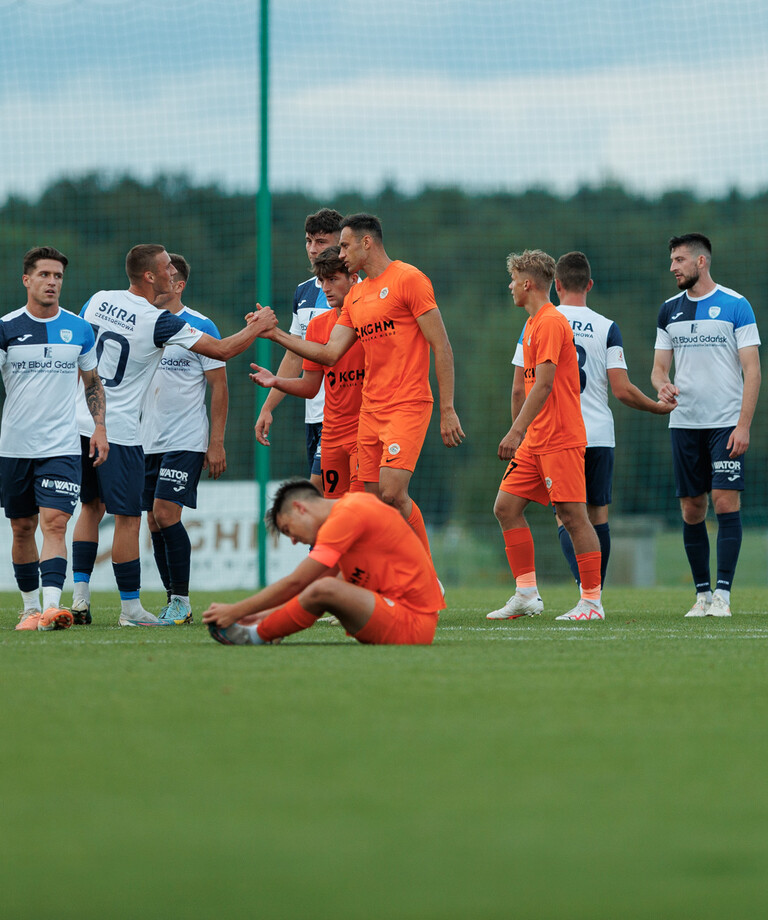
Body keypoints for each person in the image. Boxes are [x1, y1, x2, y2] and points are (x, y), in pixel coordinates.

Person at [70, 243, 275, 627]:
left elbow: (82, 347)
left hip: (103, 426)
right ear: (150, 276)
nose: (172, 272)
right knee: (133, 519)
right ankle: (131, 608)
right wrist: (258, 327)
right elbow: (224, 349)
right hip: (129, 434)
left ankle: (91, 599)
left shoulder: (98, 299)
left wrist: (216, 442)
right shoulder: (156, 321)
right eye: (166, 267)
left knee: (111, 510)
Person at [256, 213, 464, 556]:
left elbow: (441, 344)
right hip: (370, 411)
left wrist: (447, 408)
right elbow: (329, 353)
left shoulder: (409, 279)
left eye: (345, 245)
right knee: (368, 505)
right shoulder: (356, 296)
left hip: (408, 403)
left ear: (367, 243)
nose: (341, 252)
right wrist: (275, 334)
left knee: (393, 492)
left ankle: (425, 573)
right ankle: (382, 581)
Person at [511, 251, 676, 585]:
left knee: (566, 517)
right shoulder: (607, 327)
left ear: (556, 285)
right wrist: (657, 407)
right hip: (597, 434)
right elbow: (622, 389)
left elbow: (519, 389)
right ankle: (594, 594)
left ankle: (585, 591)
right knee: (596, 516)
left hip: (553, 436)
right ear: (589, 285)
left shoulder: (538, 321)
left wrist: (520, 434)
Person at [487, 249, 604, 622]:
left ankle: (591, 602)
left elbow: (545, 384)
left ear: (527, 283)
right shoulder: (534, 323)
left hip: (560, 437)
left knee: (573, 516)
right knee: (505, 507)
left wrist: (515, 430)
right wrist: (524, 433)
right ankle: (526, 594)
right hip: (536, 440)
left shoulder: (551, 321)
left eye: (512, 280)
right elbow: (524, 386)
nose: (509, 287)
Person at [652, 233, 761, 617]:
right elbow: (658, 368)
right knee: (691, 508)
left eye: (679, 260)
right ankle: (701, 596)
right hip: (684, 424)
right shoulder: (668, 310)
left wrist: (743, 425)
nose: (673, 267)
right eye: (671, 261)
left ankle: (724, 596)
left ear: (701, 262)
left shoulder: (736, 305)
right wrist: (662, 385)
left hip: (725, 423)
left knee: (724, 501)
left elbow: (753, 370)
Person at [0, 246, 108, 631]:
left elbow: (93, 383)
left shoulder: (79, 329)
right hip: (14, 446)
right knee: (22, 527)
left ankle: (51, 607)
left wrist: (100, 427)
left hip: (61, 446)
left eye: (58, 276)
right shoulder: (6, 327)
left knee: (56, 522)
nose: (52, 282)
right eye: (44, 275)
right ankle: (29, 608)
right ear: (27, 280)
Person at [203, 479, 445, 646]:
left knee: (325, 588)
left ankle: (255, 637)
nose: (295, 541)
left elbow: (297, 583)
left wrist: (235, 611)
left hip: (411, 623)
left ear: (299, 508)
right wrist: (261, 615)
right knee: (325, 587)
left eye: (289, 530)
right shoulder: (349, 513)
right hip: (398, 617)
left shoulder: (348, 514)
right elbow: (311, 592)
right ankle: (262, 630)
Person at [139, 253, 229, 624]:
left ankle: (182, 600)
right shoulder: (143, 324)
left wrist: (217, 442)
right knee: (152, 521)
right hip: (146, 439)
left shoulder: (200, 324)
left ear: (179, 284)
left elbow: (219, 388)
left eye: (167, 277)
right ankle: (173, 600)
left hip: (186, 440)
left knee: (165, 513)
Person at [250, 245, 365, 498]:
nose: (325, 288)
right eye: (323, 280)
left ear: (353, 279)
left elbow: (331, 354)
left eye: (333, 279)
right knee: (328, 506)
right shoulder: (315, 326)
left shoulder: (368, 320)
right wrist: (276, 381)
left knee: (364, 504)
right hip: (332, 431)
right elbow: (311, 387)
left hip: (365, 429)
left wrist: (276, 334)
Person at [254, 208, 343, 490]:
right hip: (313, 414)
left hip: (343, 415)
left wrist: (275, 334)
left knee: (319, 495)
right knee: (332, 502)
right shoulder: (302, 292)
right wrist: (268, 407)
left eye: (321, 242)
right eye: (308, 241)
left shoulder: (355, 289)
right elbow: (294, 355)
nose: (312, 249)